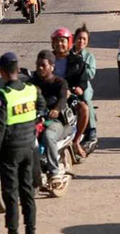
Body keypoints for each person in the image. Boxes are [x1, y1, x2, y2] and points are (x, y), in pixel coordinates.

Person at [0, 53, 45, 234]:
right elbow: (42, 106)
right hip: (29, 148)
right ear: (17, 69)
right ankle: (31, 230)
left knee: (10, 195)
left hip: (11, 151)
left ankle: (13, 230)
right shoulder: (31, 89)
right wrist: (34, 122)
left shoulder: (3, 96)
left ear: (2, 72)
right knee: (27, 192)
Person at [30, 50, 70, 185]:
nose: (40, 68)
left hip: (55, 122)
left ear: (52, 66)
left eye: (43, 65)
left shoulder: (60, 83)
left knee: (48, 136)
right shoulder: (31, 83)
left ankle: (54, 172)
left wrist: (57, 109)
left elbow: (63, 98)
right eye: (38, 65)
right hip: (35, 119)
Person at [50, 29, 90, 158]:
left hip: (69, 96)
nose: (59, 44)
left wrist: (79, 88)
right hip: (50, 96)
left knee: (84, 108)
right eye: (56, 41)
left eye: (62, 41)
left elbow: (83, 80)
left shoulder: (77, 61)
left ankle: (76, 141)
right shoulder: (47, 59)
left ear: (69, 43)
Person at [73, 25, 98, 151]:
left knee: (86, 100)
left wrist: (80, 68)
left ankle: (92, 130)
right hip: (68, 84)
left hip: (84, 85)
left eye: (84, 39)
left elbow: (91, 74)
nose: (81, 41)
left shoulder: (89, 57)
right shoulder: (68, 54)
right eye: (79, 38)